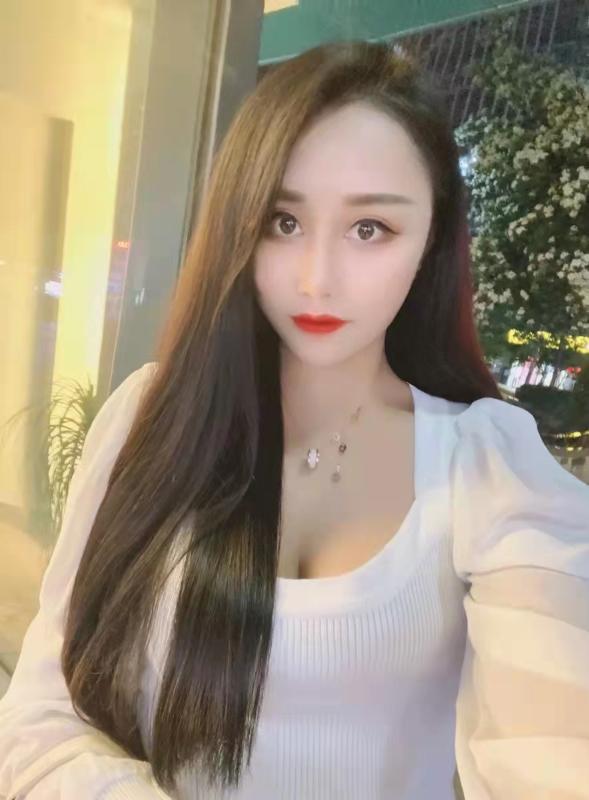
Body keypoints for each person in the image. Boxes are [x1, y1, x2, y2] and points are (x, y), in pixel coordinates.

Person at [1, 39, 588, 800]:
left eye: (369, 228)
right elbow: (39, 723)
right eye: (283, 221)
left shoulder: (487, 469)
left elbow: (552, 752)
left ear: (431, 242)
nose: (317, 279)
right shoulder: (152, 421)